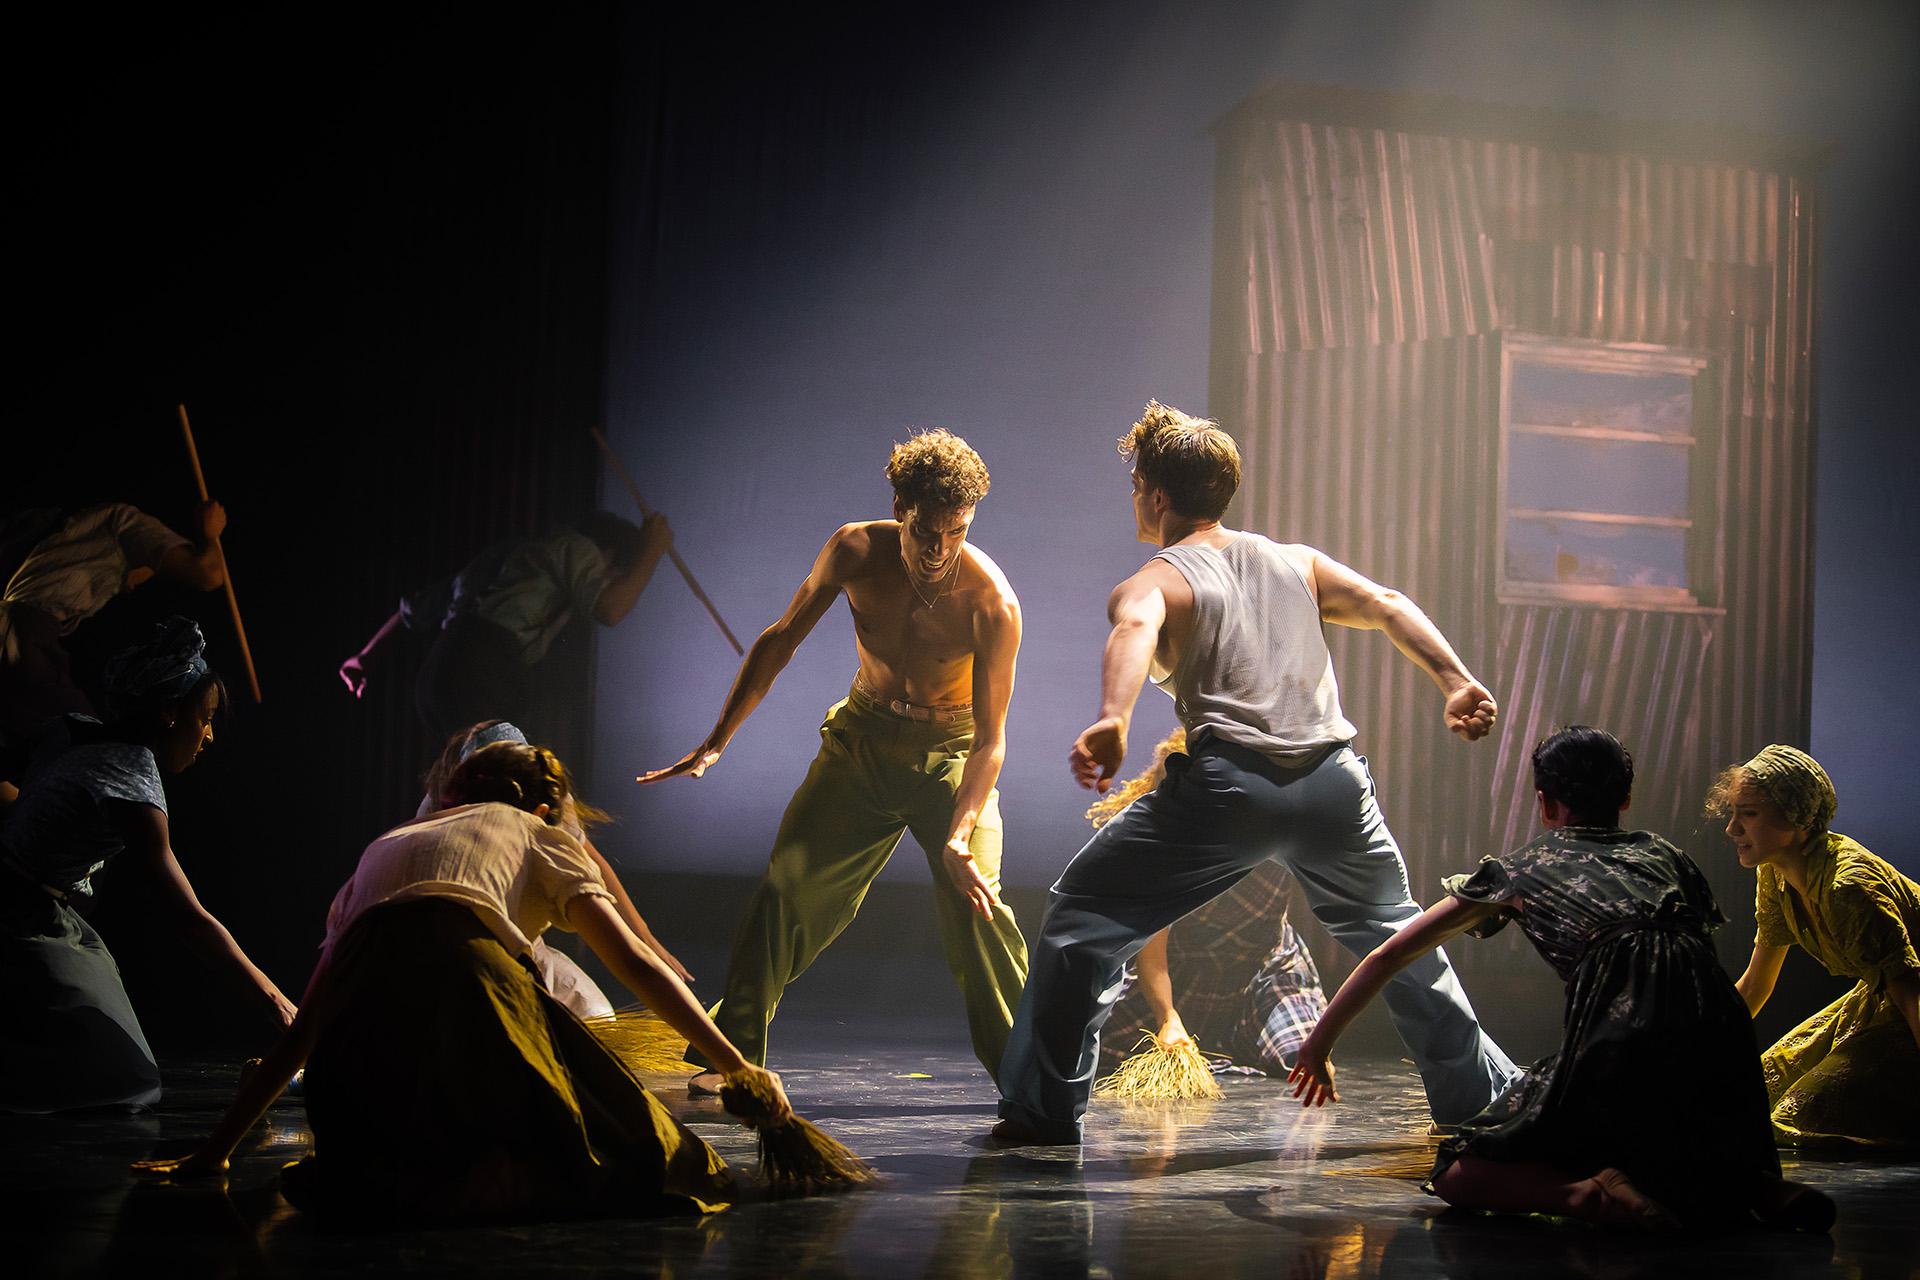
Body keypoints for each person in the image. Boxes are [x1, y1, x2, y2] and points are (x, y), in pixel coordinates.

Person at [993, 401, 1513, 1145]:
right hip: (1335, 787)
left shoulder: (1157, 580)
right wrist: (1455, 680)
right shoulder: (1296, 561)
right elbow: (1388, 604)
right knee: (1399, 941)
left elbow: (1135, 629)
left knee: (1081, 921)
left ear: (1156, 495)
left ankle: (1041, 1113)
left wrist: (1113, 717)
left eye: (1136, 485)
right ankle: (1485, 1104)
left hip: (1230, 791)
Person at [133, 740, 792, 1222]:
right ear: (541, 807)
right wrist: (736, 1066)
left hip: (361, 1069)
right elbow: (633, 963)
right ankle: (493, 1173)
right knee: (656, 1153)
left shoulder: (385, 844)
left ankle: (433, 1169)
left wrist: (216, 1151)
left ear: (453, 795)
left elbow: (308, 1026)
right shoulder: (536, 831)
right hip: (470, 999)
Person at [1289, 727, 1835, 1233]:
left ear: (1546, 803)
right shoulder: (1667, 857)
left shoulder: (1520, 870)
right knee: (1663, 1136)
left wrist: (1318, 1045)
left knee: (1458, 1171)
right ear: (1624, 799)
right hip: (1722, 1041)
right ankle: (1749, 1185)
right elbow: (1690, 964)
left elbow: (1388, 955)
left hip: (1619, 1037)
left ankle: (1584, 1194)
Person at [638, 429, 1029, 1095]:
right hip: (863, 743)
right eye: (925, 530)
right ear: (898, 506)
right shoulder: (854, 550)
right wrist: (718, 738)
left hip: (952, 757)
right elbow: (782, 639)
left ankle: (1033, 1086)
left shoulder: (991, 602)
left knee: (981, 910)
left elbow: (992, 741)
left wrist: (959, 836)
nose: (940, 551)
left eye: (957, 532)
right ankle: (725, 1058)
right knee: (783, 891)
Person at [0, 617, 295, 1113]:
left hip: (50, 906)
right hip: (21, 915)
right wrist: (276, 1003)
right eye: (206, 718)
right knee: (124, 1081)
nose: (209, 736)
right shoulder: (132, 784)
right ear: (169, 716)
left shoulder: (71, 730)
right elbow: (188, 918)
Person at [1711, 744, 1920, 1148]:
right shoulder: (1775, 876)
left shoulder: (1849, 887)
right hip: (1881, 1000)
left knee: (1804, 1113)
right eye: (1732, 813)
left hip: (1910, 1004)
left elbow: (1912, 992)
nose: (1732, 829)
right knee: (1752, 1094)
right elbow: (1756, 984)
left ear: (1797, 816)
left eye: (1748, 814)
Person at [1086, 729, 1326, 1078]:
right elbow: (1153, 958)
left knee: (1301, 1058)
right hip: (1180, 975)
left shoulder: (1273, 828)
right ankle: (1222, 1038)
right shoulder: (1163, 849)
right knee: (1107, 1046)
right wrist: (1168, 1019)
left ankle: (1248, 1034)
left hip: (1261, 970)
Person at [415, 719, 695, 1015]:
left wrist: (646, 939)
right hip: (447, 957)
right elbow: (632, 962)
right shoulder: (439, 822)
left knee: (592, 1012)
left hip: (503, 947)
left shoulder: (533, 811)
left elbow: (593, 866)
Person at [338, 511, 672, 743]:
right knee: (509, 779)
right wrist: (653, 549)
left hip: (438, 674)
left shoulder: (510, 555)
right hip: (484, 671)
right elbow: (610, 609)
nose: (608, 581)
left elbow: (414, 608)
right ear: (609, 554)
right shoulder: (578, 547)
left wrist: (366, 657)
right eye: (614, 574)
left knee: (468, 780)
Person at [2, 500, 229, 770]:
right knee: (93, 747)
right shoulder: (127, 523)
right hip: (23, 631)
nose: (133, 584)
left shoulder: (84, 535)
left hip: (16, 629)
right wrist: (211, 534)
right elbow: (208, 574)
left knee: (35, 743)